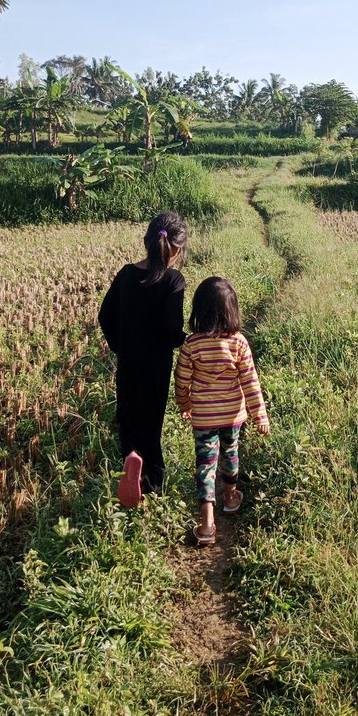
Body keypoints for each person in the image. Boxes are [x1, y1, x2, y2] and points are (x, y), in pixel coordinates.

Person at [98, 211, 188, 507]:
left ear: (146, 242)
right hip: (156, 367)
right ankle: (152, 483)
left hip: (128, 363)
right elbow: (171, 327)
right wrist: (182, 342)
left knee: (128, 420)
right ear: (177, 249)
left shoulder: (126, 274)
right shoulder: (174, 280)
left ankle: (130, 457)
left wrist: (119, 346)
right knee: (151, 425)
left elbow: (105, 315)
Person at [174, 276, 269, 545]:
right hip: (233, 416)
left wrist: (185, 404)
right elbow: (251, 382)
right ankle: (230, 497)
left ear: (199, 310)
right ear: (232, 309)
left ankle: (206, 525)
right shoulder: (239, 343)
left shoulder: (192, 345)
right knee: (231, 452)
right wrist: (259, 415)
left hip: (203, 416)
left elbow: (181, 380)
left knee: (205, 464)